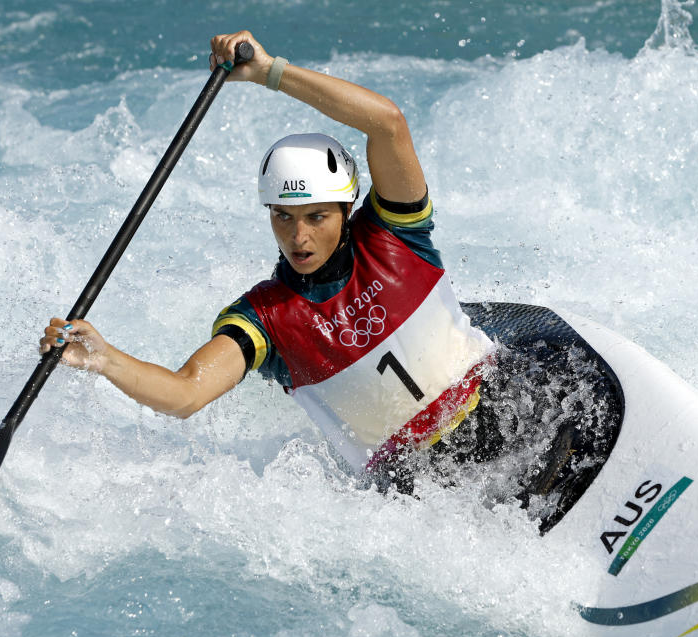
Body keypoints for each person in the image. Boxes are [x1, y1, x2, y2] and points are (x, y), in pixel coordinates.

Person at [40, 31, 608, 507]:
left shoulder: (395, 234)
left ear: (346, 206)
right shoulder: (264, 319)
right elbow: (186, 394)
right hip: (423, 492)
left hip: (507, 411)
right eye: (283, 218)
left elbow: (386, 122)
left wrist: (270, 72)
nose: (299, 236)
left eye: (315, 216)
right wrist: (105, 358)